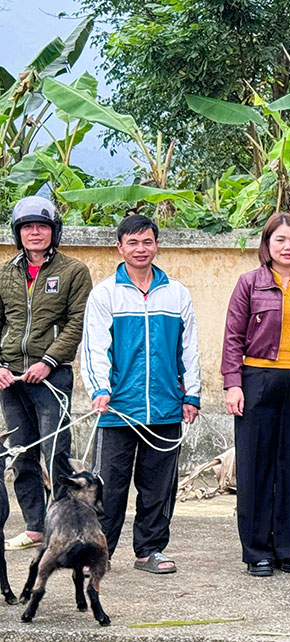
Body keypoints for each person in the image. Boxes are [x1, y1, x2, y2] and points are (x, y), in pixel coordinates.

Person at [82, 214, 200, 574]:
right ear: (120, 247)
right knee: (109, 488)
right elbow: (95, 347)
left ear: (156, 245)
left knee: (158, 487)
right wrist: (100, 388)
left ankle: (150, 550)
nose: (140, 249)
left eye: (147, 241)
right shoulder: (105, 293)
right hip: (118, 408)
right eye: (132, 242)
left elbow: (189, 348)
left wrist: (191, 394)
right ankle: (98, 552)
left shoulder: (177, 293)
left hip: (165, 407)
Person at [222, 213, 290, 577]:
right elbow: (233, 337)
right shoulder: (249, 284)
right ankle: (257, 551)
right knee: (255, 467)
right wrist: (233, 383)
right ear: (267, 245)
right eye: (280, 240)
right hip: (257, 379)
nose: (288, 247)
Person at [0, 196, 92, 552]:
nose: (35, 232)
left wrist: (49, 361)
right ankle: (35, 526)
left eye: (42, 226)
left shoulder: (73, 271)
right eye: (27, 227)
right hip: (12, 379)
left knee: (55, 453)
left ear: (54, 231)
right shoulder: (6, 272)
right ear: (18, 232)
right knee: (21, 454)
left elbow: (76, 323)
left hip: (51, 378)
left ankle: (63, 527)